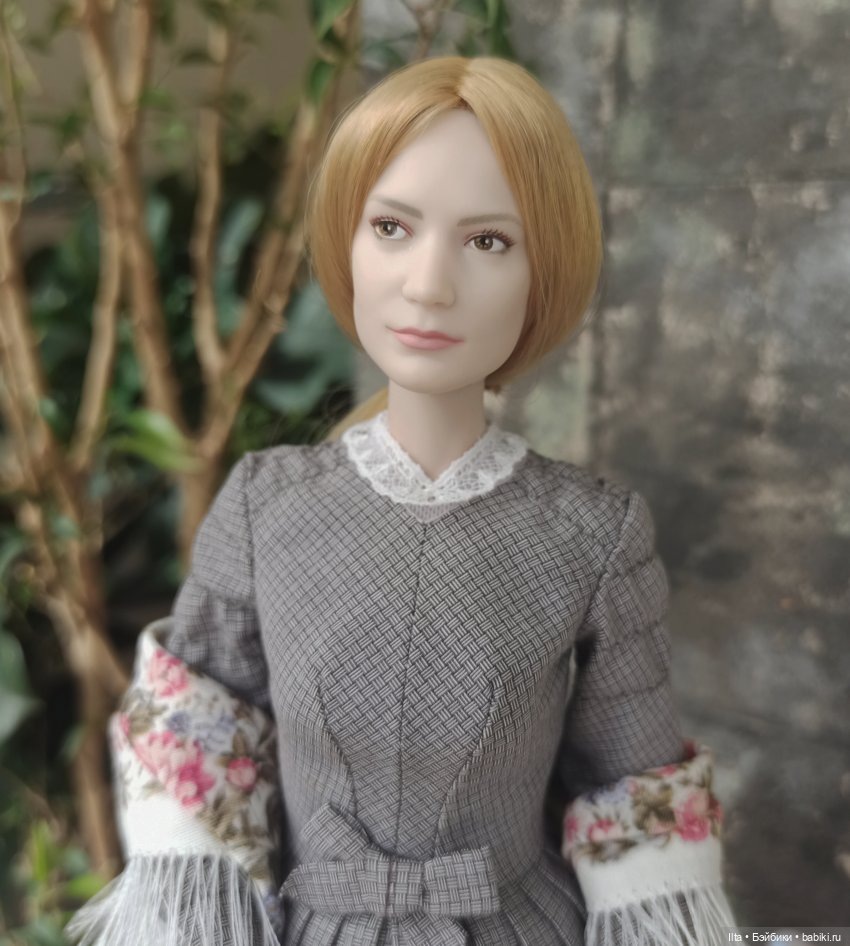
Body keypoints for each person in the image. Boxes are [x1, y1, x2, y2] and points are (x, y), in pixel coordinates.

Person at [67, 55, 736, 946]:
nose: (428, 283)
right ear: (347, 242)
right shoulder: (268, 508)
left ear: (545, 271)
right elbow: (198, 749)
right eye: (390, 227)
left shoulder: (590, 534)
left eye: (488, 242)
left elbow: (631, 785)